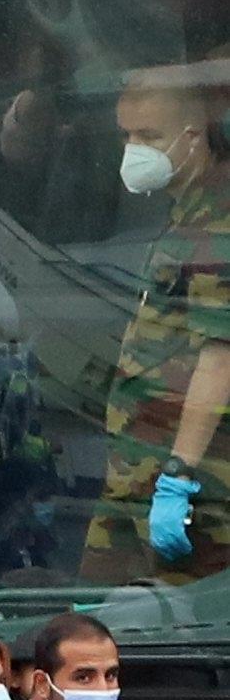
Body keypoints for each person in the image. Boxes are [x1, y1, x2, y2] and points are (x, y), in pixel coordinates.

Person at [83, 67, 230, 583]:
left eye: (149, 137)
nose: (133, 150)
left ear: (192, 138)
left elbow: (220, 358)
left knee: (168, 642)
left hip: (193, 491)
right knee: (87, 629)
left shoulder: (218, 221)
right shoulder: (184, 212)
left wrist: (178, 476)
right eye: (126, 135)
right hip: (135, 474)